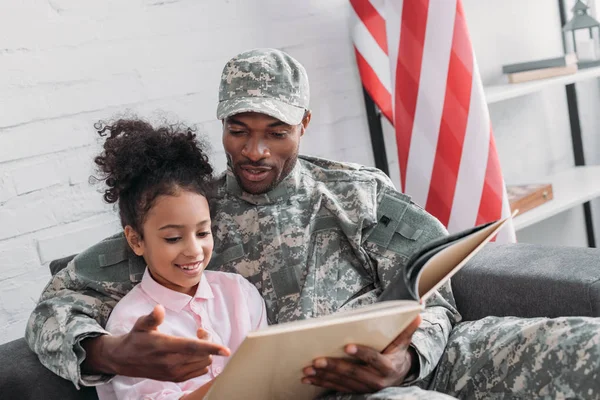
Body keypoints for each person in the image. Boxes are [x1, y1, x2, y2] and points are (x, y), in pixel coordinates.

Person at [26, 48, 600, 400]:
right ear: (222, 124)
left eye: (275, 132)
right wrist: (107, 353)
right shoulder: (188, 218)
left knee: (586, 347)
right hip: (336, 391)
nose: (254, 151)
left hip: (424, 356)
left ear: (303, 124)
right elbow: (57, 304)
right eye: (238, 130)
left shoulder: (357, 192)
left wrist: (407, 357)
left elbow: (433, 287)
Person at [87, 119, 267, 399]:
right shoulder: (130, 324)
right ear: (136, 240)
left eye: (203, 232)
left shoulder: (239, 293)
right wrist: (242, 381)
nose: (194, 250)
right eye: (173, 238)